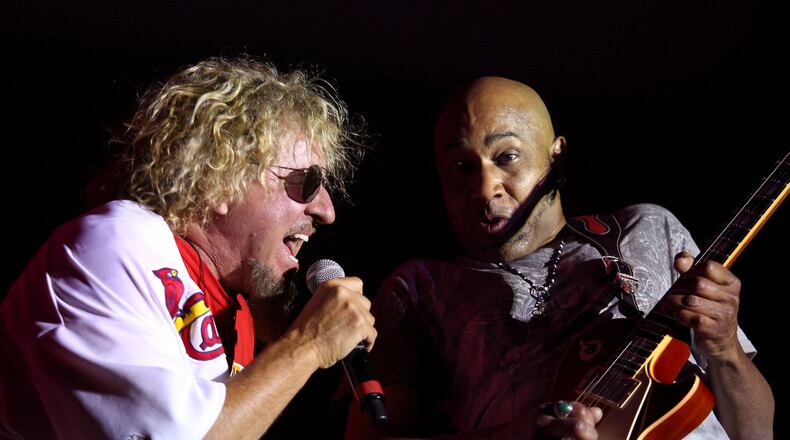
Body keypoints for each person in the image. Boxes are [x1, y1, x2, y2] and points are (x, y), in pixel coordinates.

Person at [344, 77, 774, 439]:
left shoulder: (648, 229)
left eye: (506, 157)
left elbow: (756, 432)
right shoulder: (420, 289)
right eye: (461, 167)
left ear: (557, 155)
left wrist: (725, 349)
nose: (484, 187)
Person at [0, 56, 377, 439]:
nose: (326, 210)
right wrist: (307, 345)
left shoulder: (237, 313)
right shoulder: (114, 242)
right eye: (307, 182)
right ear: (222, 177)